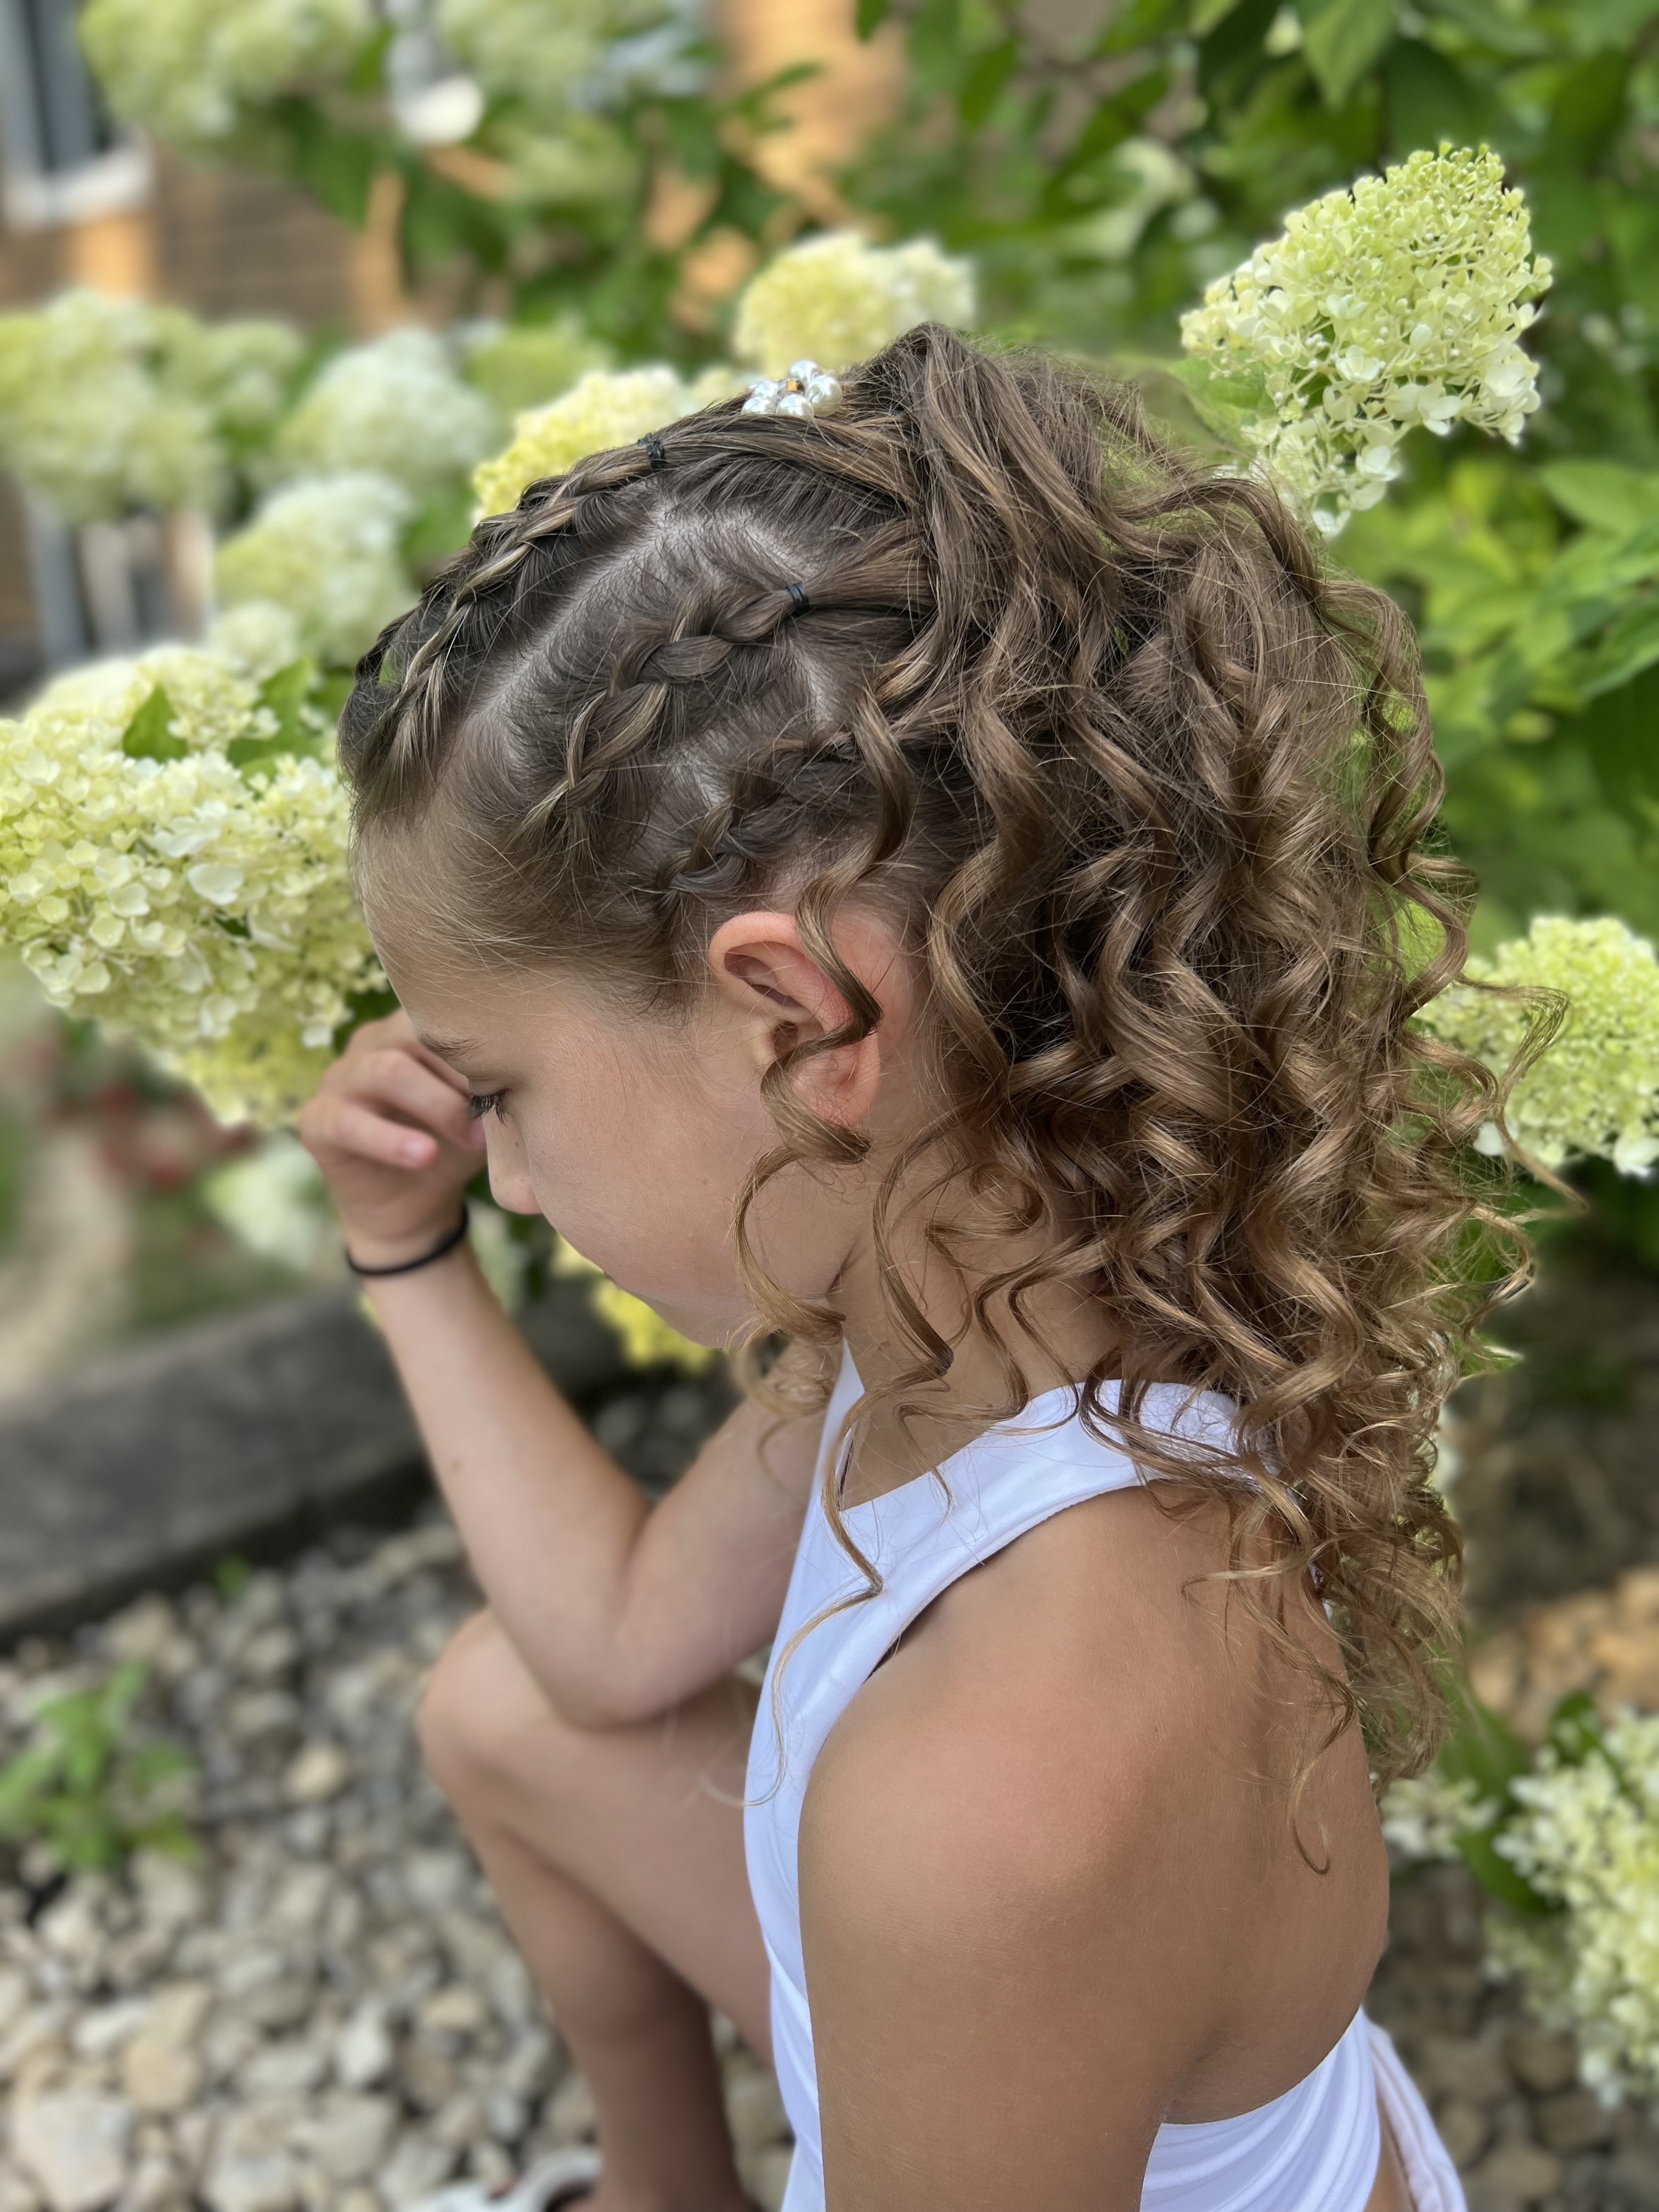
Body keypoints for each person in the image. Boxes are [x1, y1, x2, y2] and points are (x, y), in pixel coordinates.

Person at [300, 325, 1496, 2212]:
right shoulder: (988, 1304)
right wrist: (409, 1251)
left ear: (798, 1012)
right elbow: (604, 1647)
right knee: (502, 1708)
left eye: (500, 1094)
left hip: (1005, 2002)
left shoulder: (996, 1784)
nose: (504, 1177)